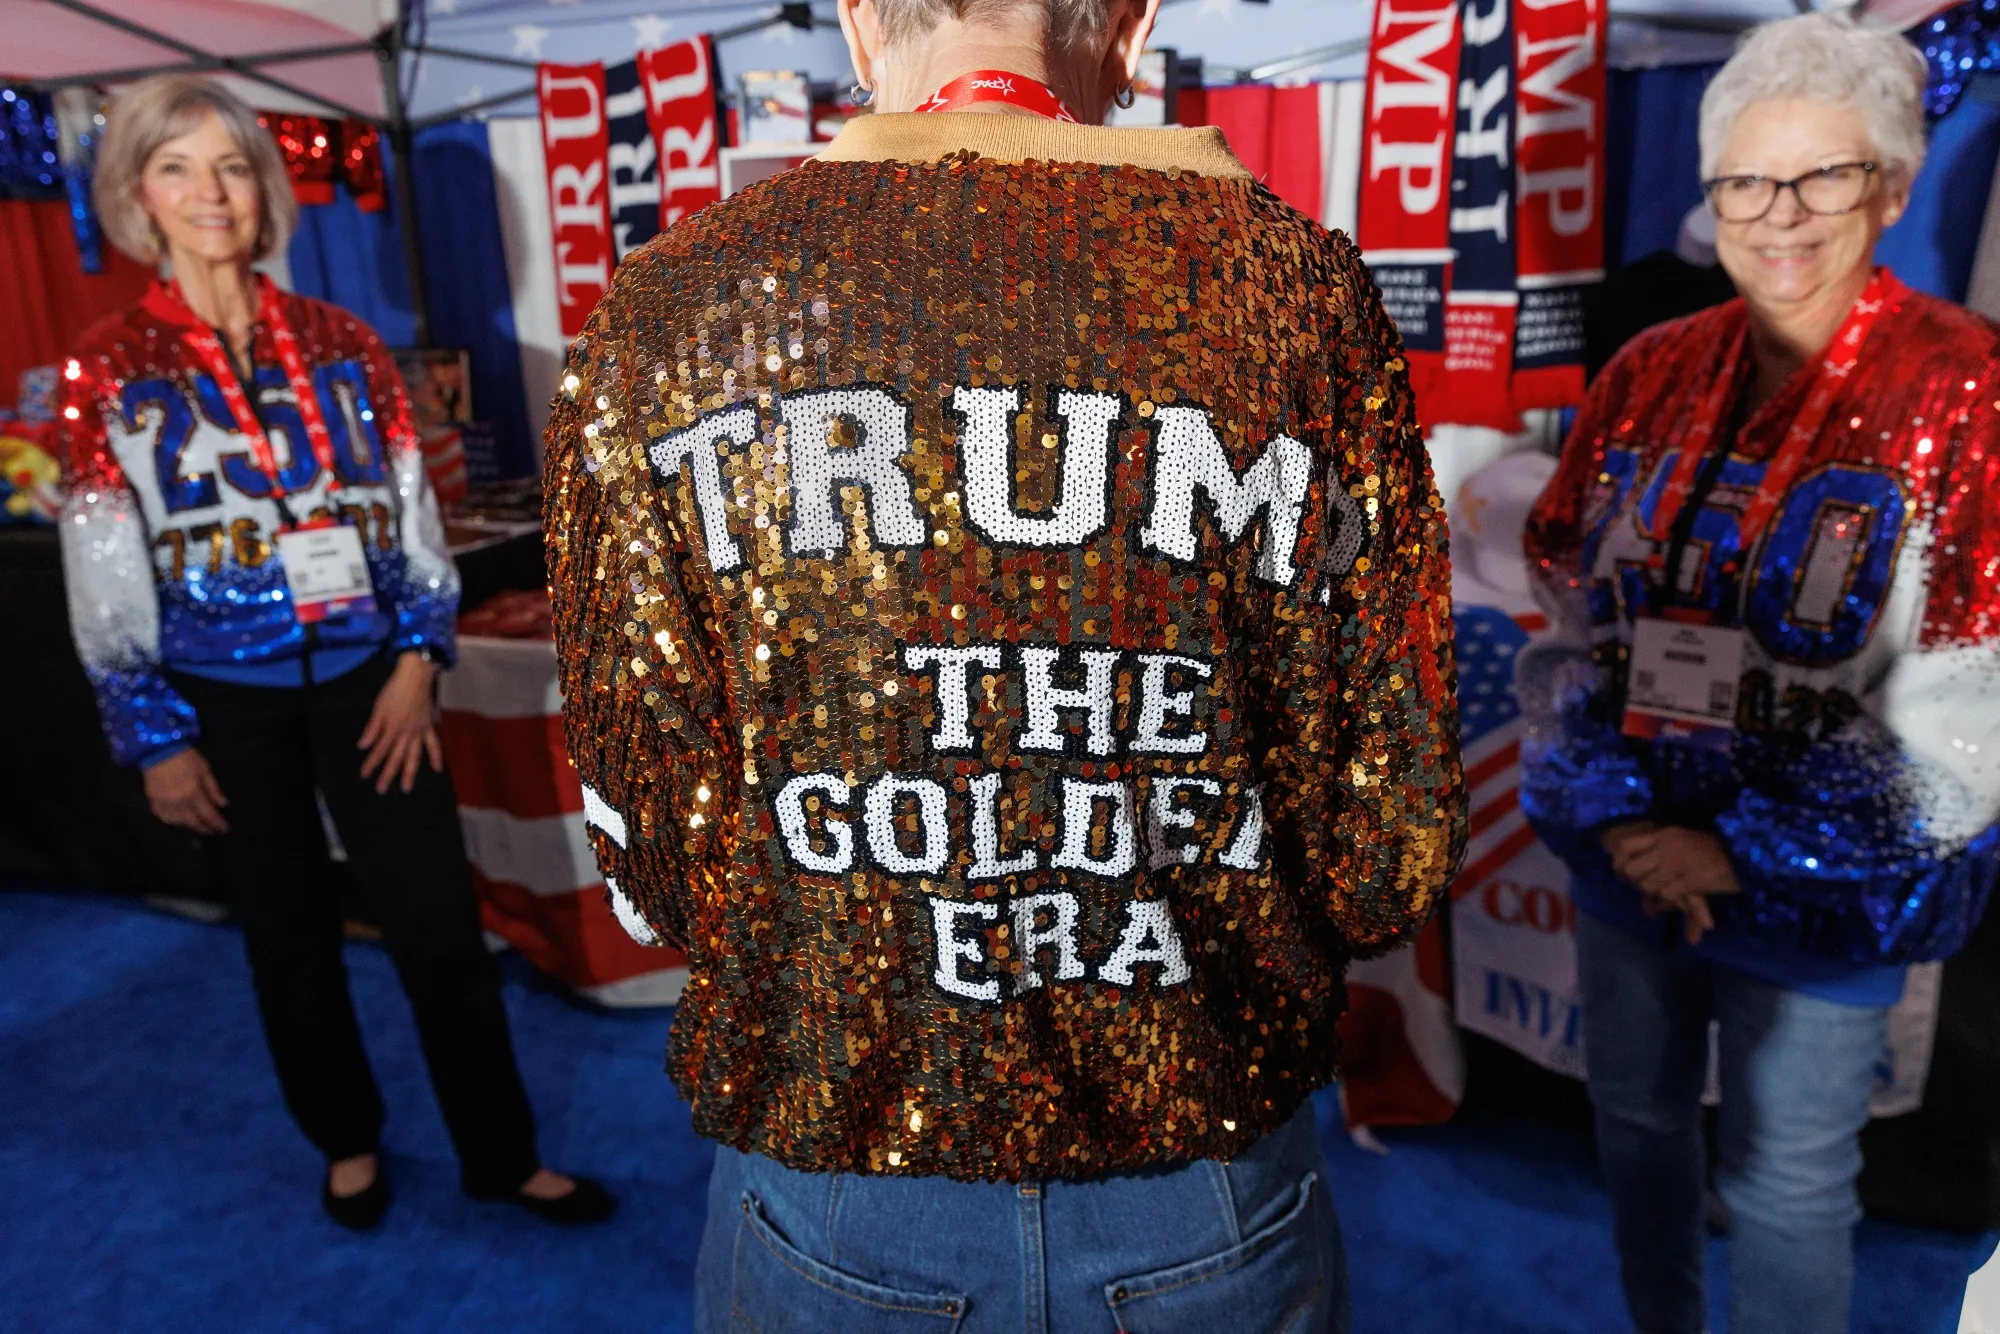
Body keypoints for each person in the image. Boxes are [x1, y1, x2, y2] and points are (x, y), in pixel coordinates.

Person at [543, 0, 1464, 1326]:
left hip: (839, 1154)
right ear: (1133, 26)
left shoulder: (680, 305)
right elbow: (1392, 832)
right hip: (1198, 1153)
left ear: (861, 25)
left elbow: (649, 805)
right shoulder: (1290, 289)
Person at [59, 75, 612, 1230]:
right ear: (138, 199)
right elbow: (101, 565)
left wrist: (419, 657)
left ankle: (500, 1153)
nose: (211, 193)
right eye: (178, 169)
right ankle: (346, 1137)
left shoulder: (345, 342)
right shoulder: (105, 368)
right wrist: (155, 736)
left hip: (374, 684)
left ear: (264, 190)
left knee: (439, 931)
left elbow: (411, 519)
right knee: (288, 940)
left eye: (231, 167)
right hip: (223, 699)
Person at [1520, 14, 2000, 1334]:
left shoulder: (1974, 395)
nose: (1778, 214)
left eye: (1823, 176)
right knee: (1634, 1122)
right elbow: (1568, 620)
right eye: (1745, 179)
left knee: (1788, 1183)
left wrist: (1741, 853)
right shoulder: (1648, 371)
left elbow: (1977, 712)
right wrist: (1620, 819)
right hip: (1629, 858)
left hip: (1829, 884)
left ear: (1893, 187)